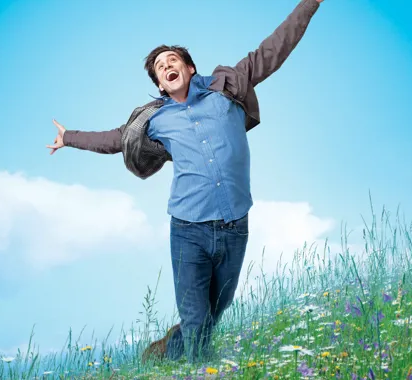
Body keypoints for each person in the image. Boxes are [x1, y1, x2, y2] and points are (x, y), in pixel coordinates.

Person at [47, 0, 324, 364]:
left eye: (171, 60)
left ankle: (166, 353)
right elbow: (116, 139)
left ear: (189, 67)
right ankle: (192, 369)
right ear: (160, 85)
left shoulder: (227, 87)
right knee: (197, 323)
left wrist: (310, 4)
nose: (166, 67)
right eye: (160, 68)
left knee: (212, 316)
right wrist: (70, 138)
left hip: (235, 227)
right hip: (188, 231)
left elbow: (274, 48)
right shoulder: (156, 120)